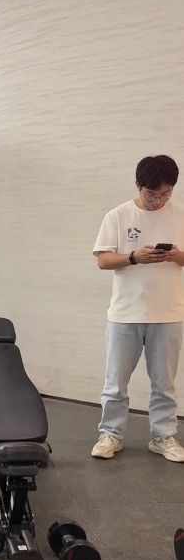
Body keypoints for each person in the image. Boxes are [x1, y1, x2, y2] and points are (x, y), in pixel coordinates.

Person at [92, 154, 184, 462]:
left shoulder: (180, 215)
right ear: (138, 185)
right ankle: (111, 434)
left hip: (169, 314)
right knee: (115, 383)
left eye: (166, 194)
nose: (159, 200)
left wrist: (175, 255)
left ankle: (163, 436)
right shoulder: (118, 216)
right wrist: (134, 257)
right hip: (124, 314)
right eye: (152, 194)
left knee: (165, 385)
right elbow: (103, 260)